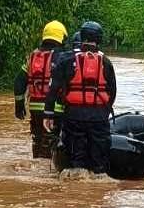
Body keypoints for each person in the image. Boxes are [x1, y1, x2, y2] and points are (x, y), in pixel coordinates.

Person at [44, 20, 116, 175]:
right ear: (99, 39)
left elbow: (53, 89)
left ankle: (76, 187)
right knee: (99, 161)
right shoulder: (106, 62)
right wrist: (102, 113)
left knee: (76, 160)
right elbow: (112, 92)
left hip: (73, 117)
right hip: (98, 118)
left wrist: (49, 114)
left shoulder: (66, 60)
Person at [14, 20, 67, 159]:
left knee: (37, 139)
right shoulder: (62, 57)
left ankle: (36, 161)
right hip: (55, 109)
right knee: (53, 141)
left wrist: (19, 105)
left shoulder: (32, 57)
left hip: (35, 109)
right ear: (61, 37)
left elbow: (19, 82)